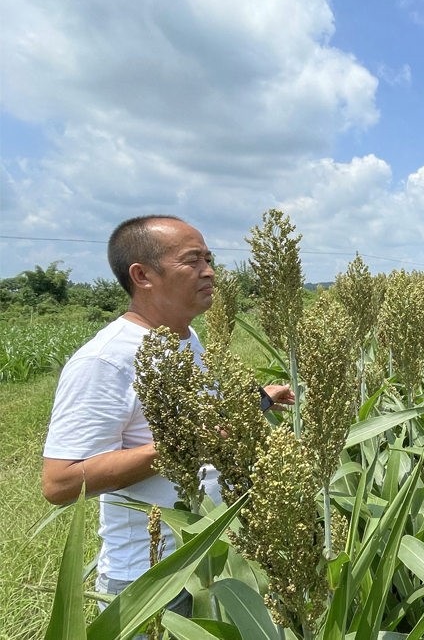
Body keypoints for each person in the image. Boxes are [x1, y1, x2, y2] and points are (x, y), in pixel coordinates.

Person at [41, 215, 293, 616]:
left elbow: (203, 422)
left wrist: (256, 401)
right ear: (142, 275)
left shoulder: (186, 339)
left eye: (209, 259)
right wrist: (186, 444)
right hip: (155, 579)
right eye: (192, 260)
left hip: (216, 564)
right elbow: (61, 482)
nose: (209, 271)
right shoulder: (106, 359)